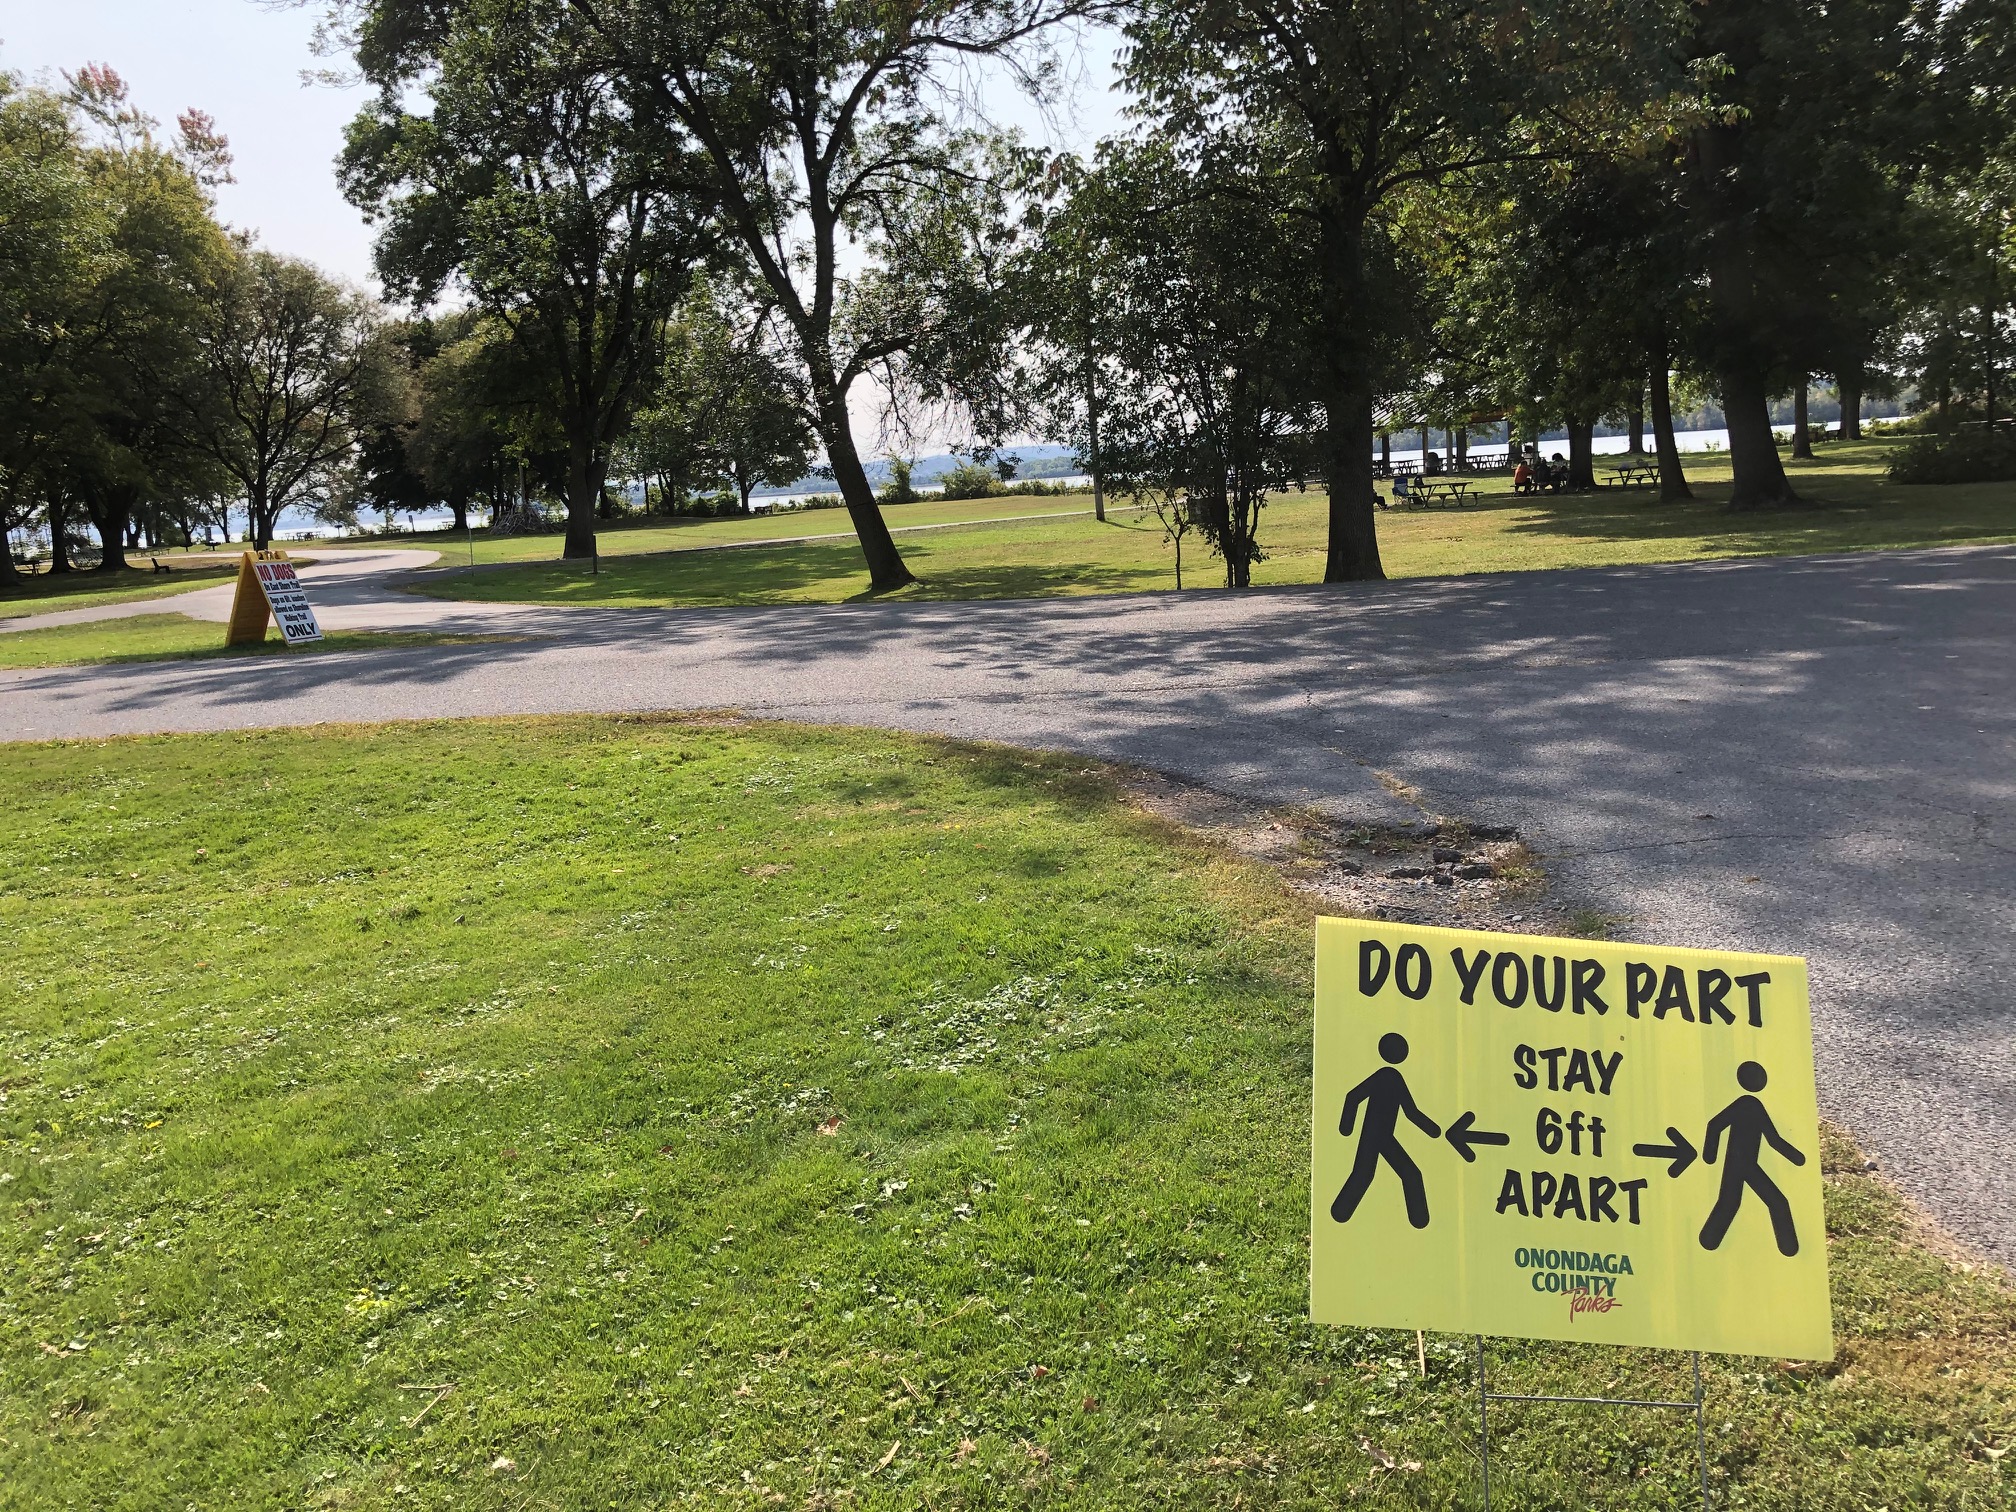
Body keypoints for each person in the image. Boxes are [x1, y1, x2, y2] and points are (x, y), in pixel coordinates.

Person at [1331, 1033, 1442, 1229]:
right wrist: (1346, 1127)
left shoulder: (1393, 1077)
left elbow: (1410, 1112)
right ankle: (1339, 1214)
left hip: (1384, 1137)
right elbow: (1353, 1097)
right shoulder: (1385, 1076)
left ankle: (1419, 1220)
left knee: (1408, 1174)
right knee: (1366, 1174)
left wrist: (1433, 1129)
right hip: (1372, 1136)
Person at [1700, 1061, 1805, 1256]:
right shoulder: (1746, 1104)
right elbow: (1714, 1125)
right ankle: (1707, 1242)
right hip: (1737, 1164)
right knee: (1734, 1203)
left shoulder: (1753, 1105)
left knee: (1759, 1202)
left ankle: (1789, 1249)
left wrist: (1796, 1157)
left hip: (1747, 1164)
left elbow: (1773, 1139)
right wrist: (1709, 1155)